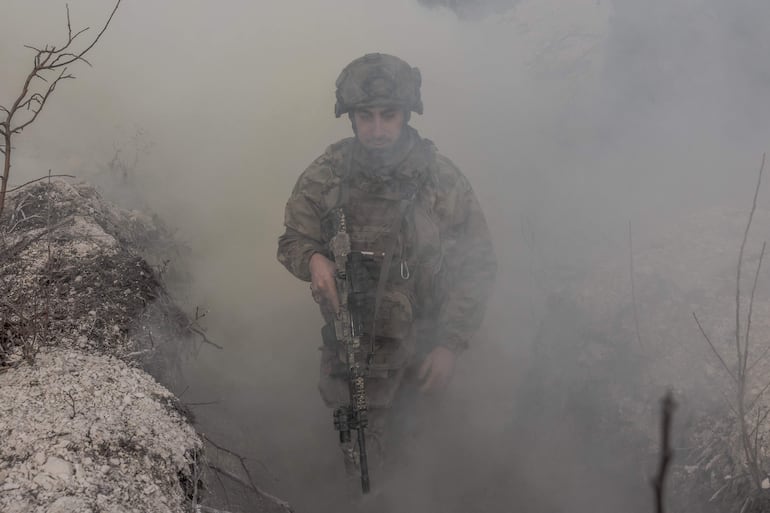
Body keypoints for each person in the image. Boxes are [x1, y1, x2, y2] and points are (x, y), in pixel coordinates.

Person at [276, 53, 496, 486]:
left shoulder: (440, 180)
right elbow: (292, 240)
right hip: (351, 347)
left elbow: (478, 264)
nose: (377, 129)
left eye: (388, 116)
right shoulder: (328, 173)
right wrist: (314, 260)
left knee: (420, 461)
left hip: (424, 345)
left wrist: (450, 344)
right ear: (351, 117)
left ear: (407, 114)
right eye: (365, 117)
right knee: (358, 460)